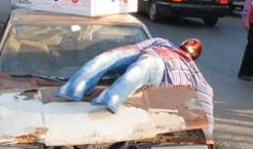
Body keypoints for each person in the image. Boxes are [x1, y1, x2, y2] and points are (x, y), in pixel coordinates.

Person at [57, 37, 214, 137]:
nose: (192, 42)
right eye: (191, 40)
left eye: (195, 44)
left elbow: (205, 97)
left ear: (195, 56)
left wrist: (206, 133)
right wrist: (120, 53)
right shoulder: (162, 42)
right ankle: (73, 89)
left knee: (145, 64)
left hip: (157, 74)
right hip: (144, 54)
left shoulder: (192, 69)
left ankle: (111, 98)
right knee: (106, 58)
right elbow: (137, 46)